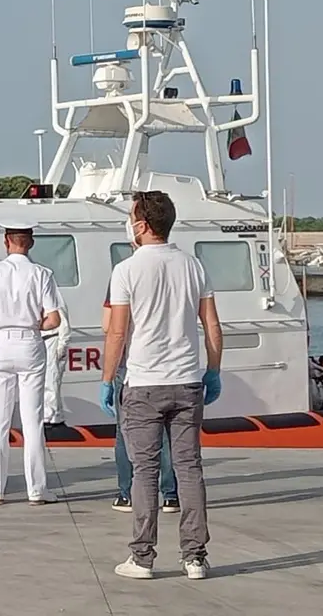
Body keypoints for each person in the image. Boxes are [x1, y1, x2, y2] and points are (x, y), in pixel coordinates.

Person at [102, 190, 223, 581]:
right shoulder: (193, 266)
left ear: (141, 225)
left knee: (144, 471)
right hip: (187, 381)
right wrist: (214, 370)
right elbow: (213, 327)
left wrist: (107, 379)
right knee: (189, 469)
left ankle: (142, 557)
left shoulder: (126, 270)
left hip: (143, 385)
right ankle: (195, 558)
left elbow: (117, 332)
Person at [0, 221, 62, 506]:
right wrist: (35, 325)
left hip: (0, 341)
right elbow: (54, 319)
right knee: (33, 421)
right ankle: (37, 490)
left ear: (6, 240)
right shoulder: (42, 273)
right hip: (30, 342)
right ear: (30, 242)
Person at [101, 288, 178, 514]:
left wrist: (107, 378)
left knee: (125, 432)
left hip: (133, 364)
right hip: (170, 364)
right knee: (166, 432)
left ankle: (127, 494)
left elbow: (110, 326)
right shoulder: (179, 270)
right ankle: (171, 495)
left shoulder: (124, 274)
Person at [42, 306, 70, 427]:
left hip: (53, 339)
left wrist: (62, 346)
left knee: (51, 380)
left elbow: (64, 324)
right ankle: (54, 414)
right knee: (45, 381)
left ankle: (51, 416)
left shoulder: (54, 299)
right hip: (42, 341)